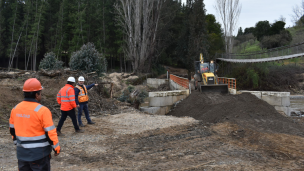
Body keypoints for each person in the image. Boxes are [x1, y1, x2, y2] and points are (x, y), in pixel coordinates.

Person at [9, 78, 60, 171]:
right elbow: (50, 132)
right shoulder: (42, 110)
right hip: (39, 155)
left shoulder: (15, 109)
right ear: (37, 95)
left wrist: (17, 143)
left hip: (22, 154)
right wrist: (56, 148)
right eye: (40, 93)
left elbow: (12, 130)